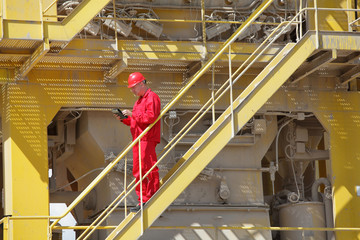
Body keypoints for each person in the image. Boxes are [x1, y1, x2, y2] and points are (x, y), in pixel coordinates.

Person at [114, 72, 161, 212]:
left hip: (146, 138)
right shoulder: (139, 101)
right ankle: (142, 200)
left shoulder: (152, 97)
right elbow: (136, 121)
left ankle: (151, 196)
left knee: (148, 169)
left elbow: (151, 117)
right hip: (139, 139)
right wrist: (123, 118)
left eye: (134, 87)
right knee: (138, 171)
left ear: (142, 83)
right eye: (131, 88)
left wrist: (132, 114)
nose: (133, 90)